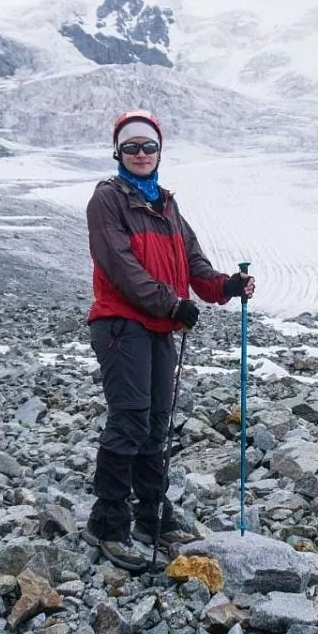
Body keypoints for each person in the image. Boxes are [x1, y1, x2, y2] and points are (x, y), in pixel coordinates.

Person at [81, 110, 256, 573]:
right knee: (131, 420)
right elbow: (119, 266)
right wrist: (170, 304)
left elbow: (193, 265)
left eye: (148, 146)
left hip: (159, 326)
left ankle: (152, 517)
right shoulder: (108, 200)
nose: (141, 153)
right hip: (121, 324)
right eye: (132, 146)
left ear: (159, 152)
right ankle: (108, 525)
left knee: (157, 423)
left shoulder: (166, 204)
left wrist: (226, 287)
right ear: (117, 152)